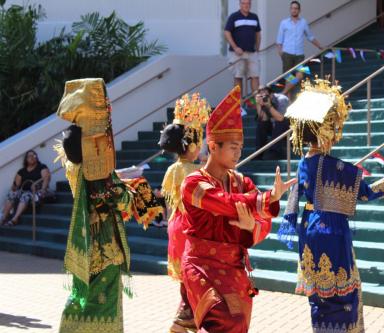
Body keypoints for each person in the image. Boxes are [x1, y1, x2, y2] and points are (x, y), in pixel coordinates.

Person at [278, 79, 384, 332]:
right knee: (344, 297)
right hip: (332, 232)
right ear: (326, 130)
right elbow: (364, 193)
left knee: (319, 297)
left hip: (308, 231)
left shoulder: (303, 163)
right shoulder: (335, 167)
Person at [180, 85, 296, 333]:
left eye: (240, 147)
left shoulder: (242, 182)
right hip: (202, 264)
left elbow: (263, 224)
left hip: (233, 267)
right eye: (232, 147)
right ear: (212, 146)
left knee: (238, 323)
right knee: (224, 318)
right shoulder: (193, 184)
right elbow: (224, 203)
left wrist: (252, 226)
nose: (238, 153)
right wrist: (267, 200)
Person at [55, 78, 163, 333]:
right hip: (105, 250)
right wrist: (143, 193)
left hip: (87, 249)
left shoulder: (76, 169)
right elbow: (121, 199)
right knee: (103, 305)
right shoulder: (98, 177)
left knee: (83, 300)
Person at [158, 93, 210, 333]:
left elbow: (169, 200)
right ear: (191, 144)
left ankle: (187, 318)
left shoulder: (172, 169)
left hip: (175, 223)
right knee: (196, 276)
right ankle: (184, 319)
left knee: (185, 277)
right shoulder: (196, 170)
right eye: (199, 141)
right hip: (190, 226)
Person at [276, 1, 323, 97]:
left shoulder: (303, 22)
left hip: (299, 55)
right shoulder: (284, 23)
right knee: (288, 79)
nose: (294, 10)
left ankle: (282, 93)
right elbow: (279, 40)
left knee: (300, 75)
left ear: (299, 10)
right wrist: (281, 53)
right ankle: (288, 102)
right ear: (290, 9)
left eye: (296, 8)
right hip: (287, 54)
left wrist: (320, 46)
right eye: (292, 8)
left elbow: (310, 37)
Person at [1, 150, 51, 226]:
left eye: (34, 155)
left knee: (26, 195)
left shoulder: (42, 167)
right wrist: (14, 187)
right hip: (24, 191)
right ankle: (3, 218)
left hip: (37, 192)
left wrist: (43, 189)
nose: (32, 157)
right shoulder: (22, 171)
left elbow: (46, 178)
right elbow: (16, 185)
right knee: (12, 194)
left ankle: (15, 219)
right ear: (26, 159)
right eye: (29, 156)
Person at [224, 0, 262, 93]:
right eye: (244, 3)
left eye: (248, 3)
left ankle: (256, 104)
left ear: (250, 4)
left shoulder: (254, 17)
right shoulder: (234, 16)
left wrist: (257, 47)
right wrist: (235, 47)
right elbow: (226, 32)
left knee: (255, 76)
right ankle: (239, 105)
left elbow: (258, 33)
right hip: (238, 53)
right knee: (238, 77)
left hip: (252, 52)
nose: (246, 5)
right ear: (240, 4)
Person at [255, 86, 290, 160]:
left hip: (288, 130)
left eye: (266, 96)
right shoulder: (263, 102)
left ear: (271, 94)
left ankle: (275, 152)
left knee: (280, 122)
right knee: (261, 124)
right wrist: (258, 104)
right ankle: (258, 153)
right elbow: (263, 119)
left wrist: (269, 106)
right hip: (274, 128)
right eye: (261, 96)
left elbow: (281, 118)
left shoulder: (282, 99)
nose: (264, 98)